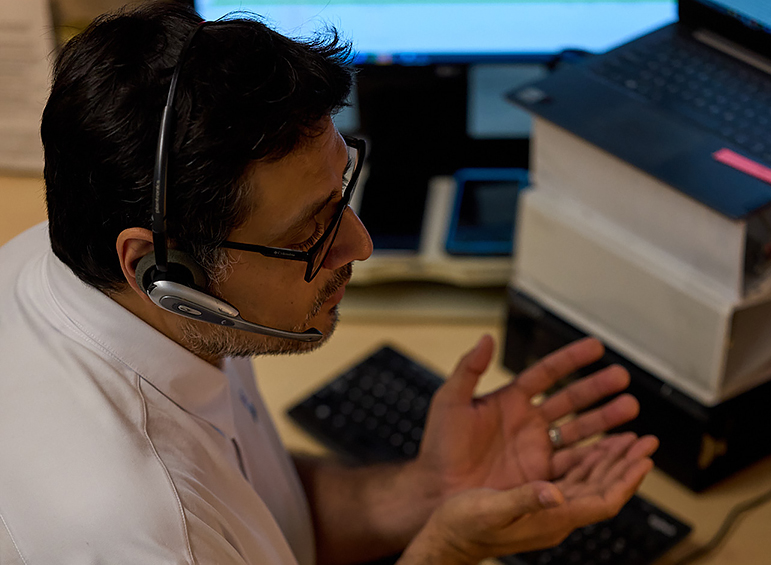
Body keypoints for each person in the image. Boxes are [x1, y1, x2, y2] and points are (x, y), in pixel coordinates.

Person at [0, 2, 658, 564]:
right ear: (156, 268)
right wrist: (445, 549)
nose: (359, 244)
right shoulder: (146, 534)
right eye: (307, 233)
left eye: (341, 188)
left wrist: (429, 489)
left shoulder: (117, 281)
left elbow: (256, 509)